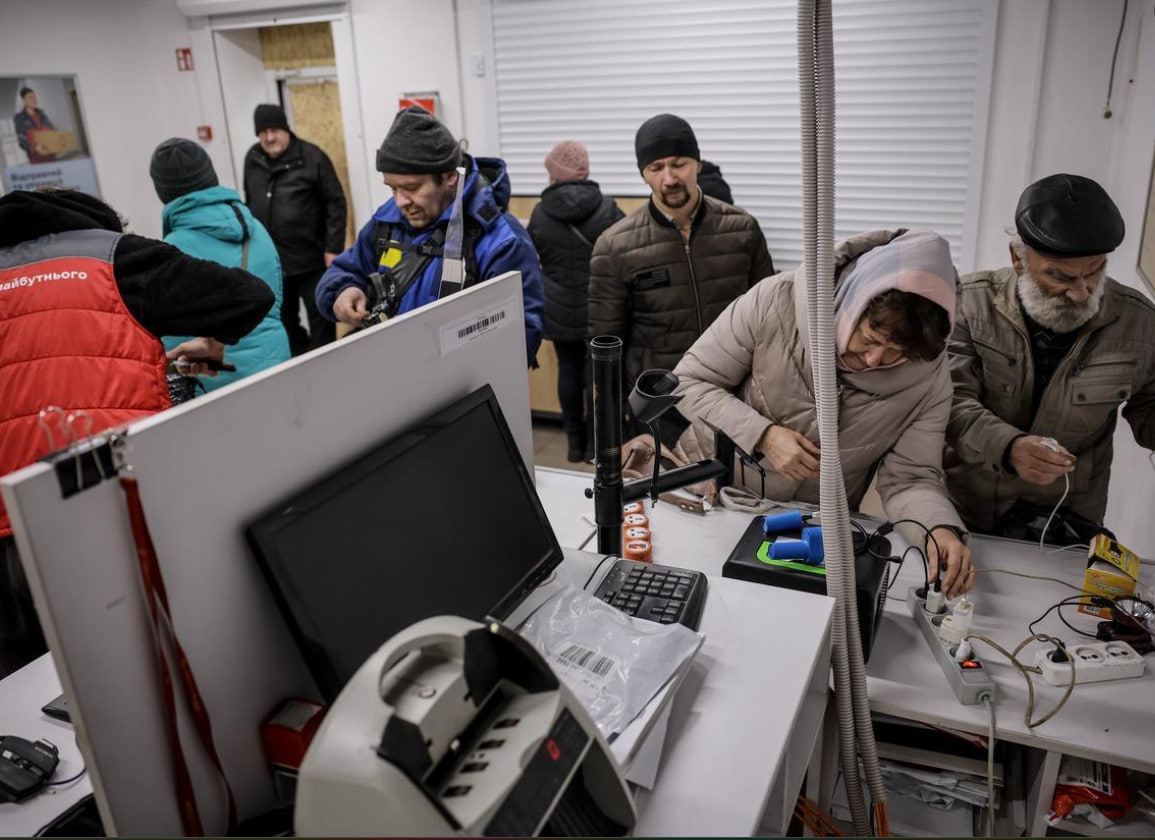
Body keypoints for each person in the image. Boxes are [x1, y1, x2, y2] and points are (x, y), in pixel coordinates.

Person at [0, 187, 275, 677]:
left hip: (6, 538)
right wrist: (210, 340)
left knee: (22, 697)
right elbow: (247, 297)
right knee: (132, 676)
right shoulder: (115, 256)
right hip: (103, 513)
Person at [671, 229, 974, 597]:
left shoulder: (928, 378)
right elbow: (686, 383)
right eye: (871, 339)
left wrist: (938, 528)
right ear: (854, 302)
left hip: (806, 528)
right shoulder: (775, 301)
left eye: (897, 352)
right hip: (706, 498)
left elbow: (910, 477)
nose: (874, 360)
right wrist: (762, 435)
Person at [945, 174, 1155, 537]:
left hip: (1068, 520)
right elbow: (948, 401)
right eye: (1060, 276)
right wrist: (1007, 446)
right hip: (967, 506)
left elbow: (1149, 408)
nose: (1081, 292)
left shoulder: (1140, 324)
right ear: (1018, 258)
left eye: (1095, 271)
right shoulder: (968, 303)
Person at [316, 105, 545, 365]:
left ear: (450, 176)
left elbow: (518, 339)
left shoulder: (501, 240)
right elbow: (342, 271)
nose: (400, 201)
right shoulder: (387, 221)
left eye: (412, 187)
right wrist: (343, 290)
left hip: (461, 382)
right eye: (392, 189)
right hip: (391, 373)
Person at [588, 113, 775, 396]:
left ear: (698, 163)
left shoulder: (742, 230)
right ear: (643, 174)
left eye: (679, 164)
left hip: (734, 393)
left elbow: (769, 321)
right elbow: (606, 345)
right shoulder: (614, 247)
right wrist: (618, 418)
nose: (669, 178)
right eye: (655, 168)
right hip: (660, 400)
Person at [151, 137, 291, 392]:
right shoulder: (256, 228)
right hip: (274, 361)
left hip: (216, 381)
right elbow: (275, 298)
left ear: (163, 191)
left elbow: (174, 338)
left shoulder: (172, 249)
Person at [528, 141, 624, 461]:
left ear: (555, 174)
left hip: (558, 307)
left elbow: (535, 255)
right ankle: (596, 446)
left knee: (567, 370)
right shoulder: (608, 209)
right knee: (597, 377)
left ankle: (573, 445)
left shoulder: (540, 213)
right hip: (599, 306)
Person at [244, 103, 347, 356]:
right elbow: (249, 200)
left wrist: (333, 248)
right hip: (274, 262)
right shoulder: (253, 159)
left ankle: (325, 365)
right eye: (263, 132)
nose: (269, 138)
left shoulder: (313, 157)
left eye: (274, 130)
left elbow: (336, 202)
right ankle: (299, 362)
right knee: (285, 322)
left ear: (286, 129)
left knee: (322, 319)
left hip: (312, 258)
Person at [14, 87, 56, 164]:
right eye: (30, 97)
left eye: (34, 97)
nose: (34, 100)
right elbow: (22, 140)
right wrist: (35, 147)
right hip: (37, 159)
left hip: (51, 155)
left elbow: (52, 130)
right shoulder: (20, 118)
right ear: (23, 100)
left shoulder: (43, 115)